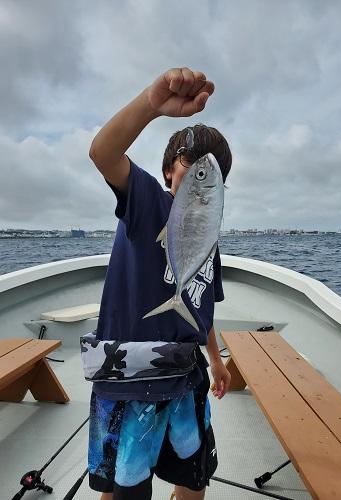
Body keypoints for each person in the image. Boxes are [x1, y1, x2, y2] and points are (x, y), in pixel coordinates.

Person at [87, 67, 232, 500]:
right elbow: (103, 152)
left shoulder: (210, 242)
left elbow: (202, 307)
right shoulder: (148, 202)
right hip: (129, 377)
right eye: (193, 160)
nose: (205, 170)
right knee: (124, 485)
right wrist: (151, 105)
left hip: (186, 373)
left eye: (216, 171)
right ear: (170, 169)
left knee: (194, 478)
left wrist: (217, 359)